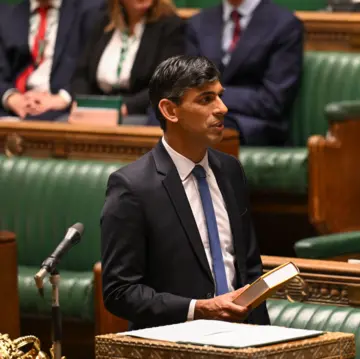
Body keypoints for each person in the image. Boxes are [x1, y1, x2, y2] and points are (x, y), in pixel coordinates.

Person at [100, 55, 270, 330]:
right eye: (206, 99)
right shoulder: (132, 187)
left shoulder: (231, 171)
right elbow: (120, 292)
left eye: (220, 96)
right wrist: (198, 310)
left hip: (242, 340)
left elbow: (249, 267)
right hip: (172, 342)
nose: (223, 108)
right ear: (170, 110)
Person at [185, 0, 304, 145]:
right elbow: (188, 85)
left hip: (253, 123)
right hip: (203, 114)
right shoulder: (198, 23)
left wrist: (209, 96)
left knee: (202, 125)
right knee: (162, 117)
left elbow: (273, 100)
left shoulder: (284, 24)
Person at [70, 0, 185, 125]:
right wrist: (83, 103)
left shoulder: (170, 26)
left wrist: (126, 107)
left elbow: (166, 84)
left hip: (139, 112)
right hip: (96, 109)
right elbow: (81, 74)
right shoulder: (102, 21)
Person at [0, 0, 104, 121]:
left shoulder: (90, 10)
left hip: (62, 106)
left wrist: (62, 99)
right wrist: (11, 98)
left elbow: (91, 71)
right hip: (14, 105)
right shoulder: (6, 14)